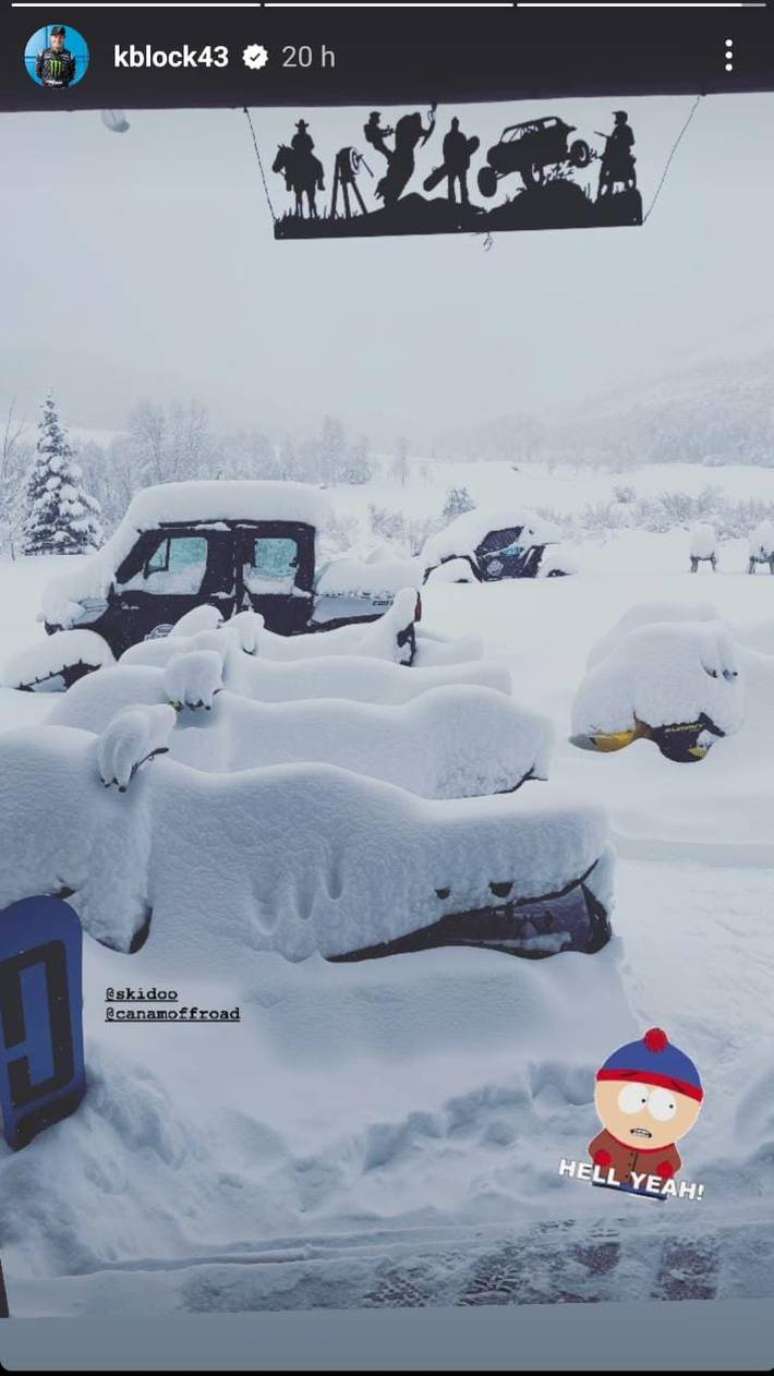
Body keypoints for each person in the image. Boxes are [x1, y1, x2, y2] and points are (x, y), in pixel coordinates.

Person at [588, 1027, 703, 1196]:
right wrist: (601, 1157)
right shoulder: (612, 1137)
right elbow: (595, 1147)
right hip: (609, 1182)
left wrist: (665, 1169)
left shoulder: (662, 1146)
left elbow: (673, 1161)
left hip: (648, 1188)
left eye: (664, 1107)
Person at [597, 111, 636, 197]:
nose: (616, 119)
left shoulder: (627, 129)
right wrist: (611, 139)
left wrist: (621, 142)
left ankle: (626, 183)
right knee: (607, 166)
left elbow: (632, 142)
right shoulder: (617, 129)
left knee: (620, 165)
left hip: (623, 153)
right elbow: (612, 139)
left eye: (617, 117)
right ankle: (606, 188)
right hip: (614, 152)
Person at [442, 116, 471, 205]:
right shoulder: (450, 136)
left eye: (456, 123)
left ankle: (464, 200)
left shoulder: (459, 136)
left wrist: (467, 162)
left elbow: (466, 151)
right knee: (452, 184)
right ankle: (452, 200)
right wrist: (447, 162)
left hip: (459, 164)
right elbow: (445, 150)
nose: (455, 125)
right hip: (453, 164)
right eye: (454, 123)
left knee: (462, 184)